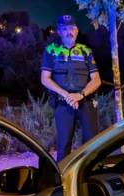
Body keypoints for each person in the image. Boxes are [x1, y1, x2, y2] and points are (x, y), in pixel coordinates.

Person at [40, 15, 101, 161]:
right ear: (59, 32)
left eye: (72, 28)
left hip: (85, 101)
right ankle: (62, 178)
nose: (69, 31)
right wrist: (66, 95)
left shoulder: (85, 51)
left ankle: (87, 173)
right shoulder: (51, 50)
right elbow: (45, 79)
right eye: (65, 28)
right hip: (63, 102)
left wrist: (80, 94)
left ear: (77, 30)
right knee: (64, 144)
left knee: (91, 142)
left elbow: (96, 80)